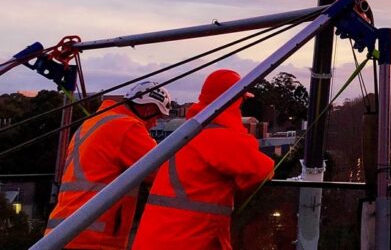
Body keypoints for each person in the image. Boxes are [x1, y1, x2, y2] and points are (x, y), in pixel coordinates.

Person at [133, 69, 274, 250]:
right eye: (241, 100)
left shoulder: (191, 132)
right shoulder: (218, 136)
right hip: (185, 241)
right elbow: (262, 169)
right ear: (234, 100)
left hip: (159, 238)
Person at [45, 81, 171, 250]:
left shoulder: (92, 123)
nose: (155, 124)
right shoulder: (127, 127)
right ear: (148, 109)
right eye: (157, 117)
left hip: (61, 232)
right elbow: (165, 172)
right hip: (93, 236)